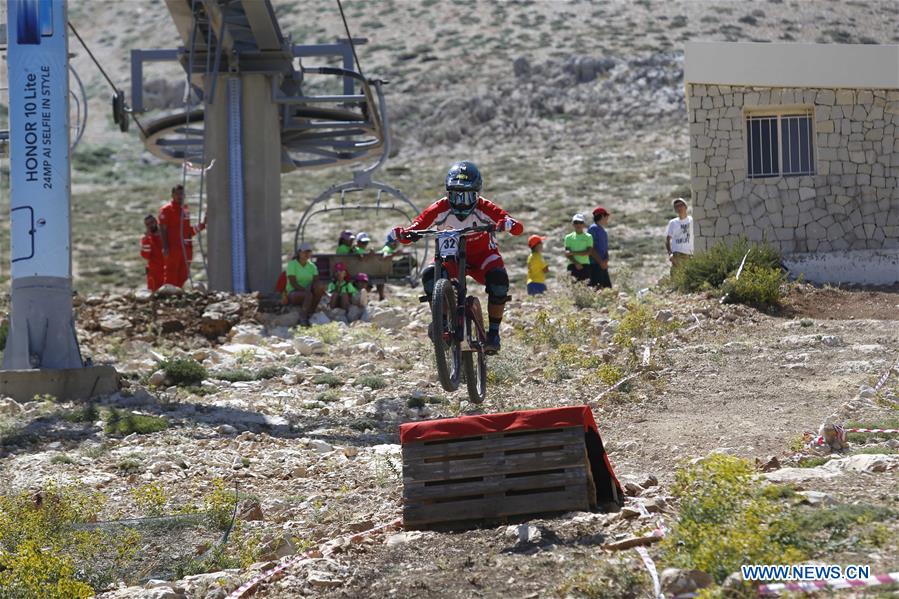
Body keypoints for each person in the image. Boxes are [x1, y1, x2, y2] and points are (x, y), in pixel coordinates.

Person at [391, 160, 523, 353]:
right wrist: (404, 234)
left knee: (499, 281)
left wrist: (508, 224)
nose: (461, 202)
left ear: (477, 194)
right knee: (429, 275)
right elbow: (415, 228)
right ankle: (441, 324)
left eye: (468, 196)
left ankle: (494, 333)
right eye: (455, 195)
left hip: (482, 258)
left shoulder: (485, 206)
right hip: (450, 257)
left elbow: (517, 227)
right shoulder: (439, 208)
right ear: (447, 193)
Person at [158, 184, 205, 287]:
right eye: (177, 194)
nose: (180, 196)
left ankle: (178, 297)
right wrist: (165, 247)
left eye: (182, 194)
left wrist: (202, 225)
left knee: (183, 276)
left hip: (186, 248)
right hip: (173, 248)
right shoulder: (166, 210)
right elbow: (162, 229)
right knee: (171, 276)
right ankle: (169, 299)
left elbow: (188, 231)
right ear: (172, 195)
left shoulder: (185, 209)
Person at [286, 243, 325, 325]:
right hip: (294, 292)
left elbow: (316, 282)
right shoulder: (292, 264)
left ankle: (312, 311)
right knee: (308, 295)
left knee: (320, 286)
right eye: (305, 252)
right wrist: (306, 291)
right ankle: (303, 317)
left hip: (308, 291)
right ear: (299, 252)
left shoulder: (312, 266)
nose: (307, 254)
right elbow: (293, 283)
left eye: (309, 252)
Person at [666, 197, 694, 276]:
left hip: (690, 255)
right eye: (677, 206)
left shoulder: (692, 220)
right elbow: (668, 239)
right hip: (677, 255)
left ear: (685, 206)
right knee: (676, 278)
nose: (679, 208)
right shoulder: (673, 223)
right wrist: (670, 254)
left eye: (681, 205)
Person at [564, 213, 594, 283]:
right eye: (576, 222)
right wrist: (576, 263)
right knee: (572, 289)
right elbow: (567, 253)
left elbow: (588, 252)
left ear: (583, 224)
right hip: (572, 266)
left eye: (580, 222)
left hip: (585, 266)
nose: (578, 225)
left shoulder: (588, 237)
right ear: (573, 224)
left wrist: (573, 253)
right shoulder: (568, 237)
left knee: (585, 289)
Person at [588, 206, 612, 289]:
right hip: (595, 265)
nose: (607, 218)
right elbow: (591, 248)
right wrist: (601, 262)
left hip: (602, 265)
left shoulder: (602, 230)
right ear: (602, 216)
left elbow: (605, 248)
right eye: (606, 216)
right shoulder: (593, 229)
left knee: (607, 289)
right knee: (598, 289)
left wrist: (606, 260)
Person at [140, 214, 165, 291]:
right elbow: (145, 256)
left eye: (152, 222)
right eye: (148, 224)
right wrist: (147, 239)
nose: (151, 225)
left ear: (156, 221)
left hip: (167, 269)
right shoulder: (146, 239)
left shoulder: (165, 234)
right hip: (154, 272)